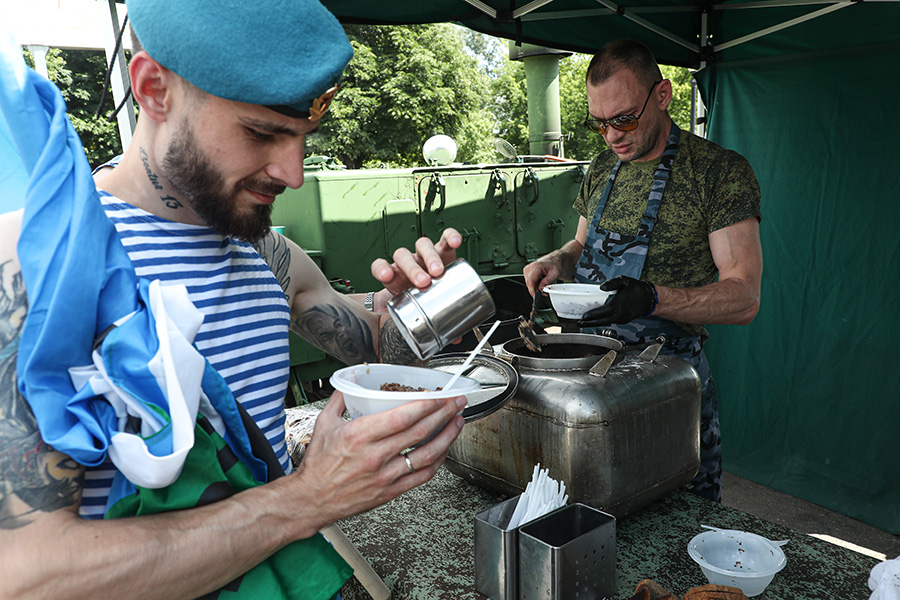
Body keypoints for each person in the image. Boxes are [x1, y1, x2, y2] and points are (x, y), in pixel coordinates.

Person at [0, 1, 467, 598]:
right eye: (262, 132)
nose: (293, 172)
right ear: (152, 90)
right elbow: (28, 575)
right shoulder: (38, 266)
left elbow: (374, 343)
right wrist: (307, 499)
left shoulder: (266, 253)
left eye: (302, 137)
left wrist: (421, 302)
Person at [523, 39, 762, 503]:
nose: (613, 135)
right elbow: (579, 243)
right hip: (591, 381)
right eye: (600, 124)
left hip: (665, 387)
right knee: (591, 509)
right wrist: (557, 261)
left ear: (663, 95)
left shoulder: (717, 173)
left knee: (674, 517)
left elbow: (744, 296)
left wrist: (652, 298)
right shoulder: (602, 166)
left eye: (625, 118)